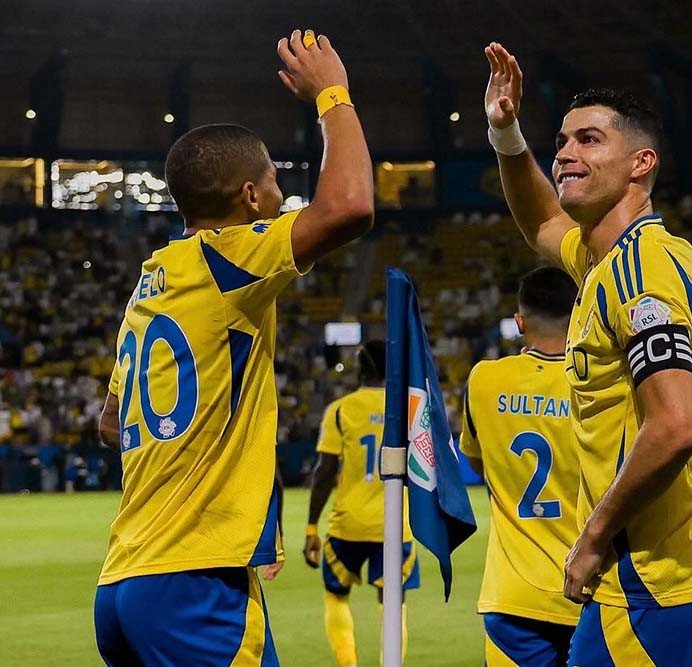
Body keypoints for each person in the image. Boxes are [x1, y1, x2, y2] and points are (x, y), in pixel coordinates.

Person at [93, 29, 374, 666]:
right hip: (196, 584)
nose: (281, 195)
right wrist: (333, 94)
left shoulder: (152, 281)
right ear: (250, 196)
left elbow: (111, 425)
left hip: (124, 580)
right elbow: (351, 206)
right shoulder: (230, 256)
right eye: (274, 181)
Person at [483, 42, 692, 666]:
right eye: (562, 141)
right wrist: (506, 133)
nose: (565, 153)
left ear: (640, 163)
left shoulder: (641, 272)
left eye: (589, 140)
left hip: (648, 579)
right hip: (655, 574)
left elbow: (675, 427)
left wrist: (593, 537)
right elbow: (542, 222)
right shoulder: (607, 260)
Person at [459, 267, 581, 666]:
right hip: (590, 586)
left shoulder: (484, 379)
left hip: (513, 593)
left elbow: (478, 461)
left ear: (520, 322)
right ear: (578, 315)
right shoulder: (598, 384)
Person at [303, 341, 420, 667]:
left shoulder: (341, 410)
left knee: (336, 596)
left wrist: (311, 527)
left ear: (361, 369)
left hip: (348, 524)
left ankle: (349, 664)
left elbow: (324, 472)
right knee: (393, 604)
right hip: (394, 524)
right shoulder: (408, 409)